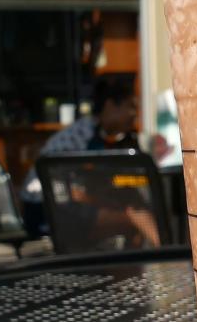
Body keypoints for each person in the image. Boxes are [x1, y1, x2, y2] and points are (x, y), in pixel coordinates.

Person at [21, 75, 140, 220]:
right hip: (43, 208)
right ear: (110, 106)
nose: (135, 114)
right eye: (131, 106)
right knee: (129, 216)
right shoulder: (87, 136)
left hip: (57, 205)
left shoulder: (94, 131)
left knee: (132, 209)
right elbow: (77, 192)